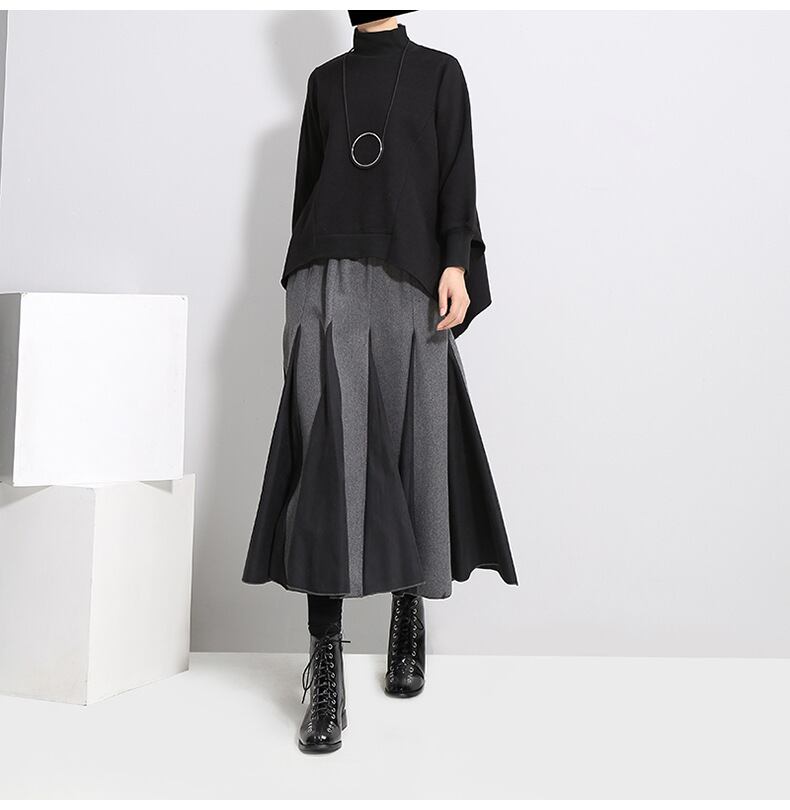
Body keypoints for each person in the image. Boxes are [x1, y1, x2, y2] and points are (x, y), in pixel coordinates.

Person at [242, 10, 518, 754]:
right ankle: (325, 665)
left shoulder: (439, 73)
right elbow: (306, 195)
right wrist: (299, 290)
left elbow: (456, 174)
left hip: (411, 281)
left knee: (414, 449)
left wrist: (456, 260)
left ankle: (407, 608)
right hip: (323, 281)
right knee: (326, 469)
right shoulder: (323, 83)